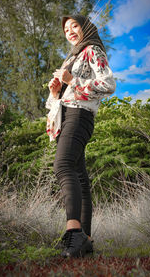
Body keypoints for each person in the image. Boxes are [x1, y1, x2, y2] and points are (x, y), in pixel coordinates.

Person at [46, 14, 116, 257]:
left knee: (62, 165)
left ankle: (73, 233)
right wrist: (57, 91)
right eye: (66, 28)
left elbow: (107, 84)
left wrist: (71, 80)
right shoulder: (72, 57)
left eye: (74, 25)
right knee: (79, 176)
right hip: (68, 116)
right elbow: (69, 92)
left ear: (86, 27)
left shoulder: (93, 50)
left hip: (79, 116)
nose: (70, 30)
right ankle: (85, 241)